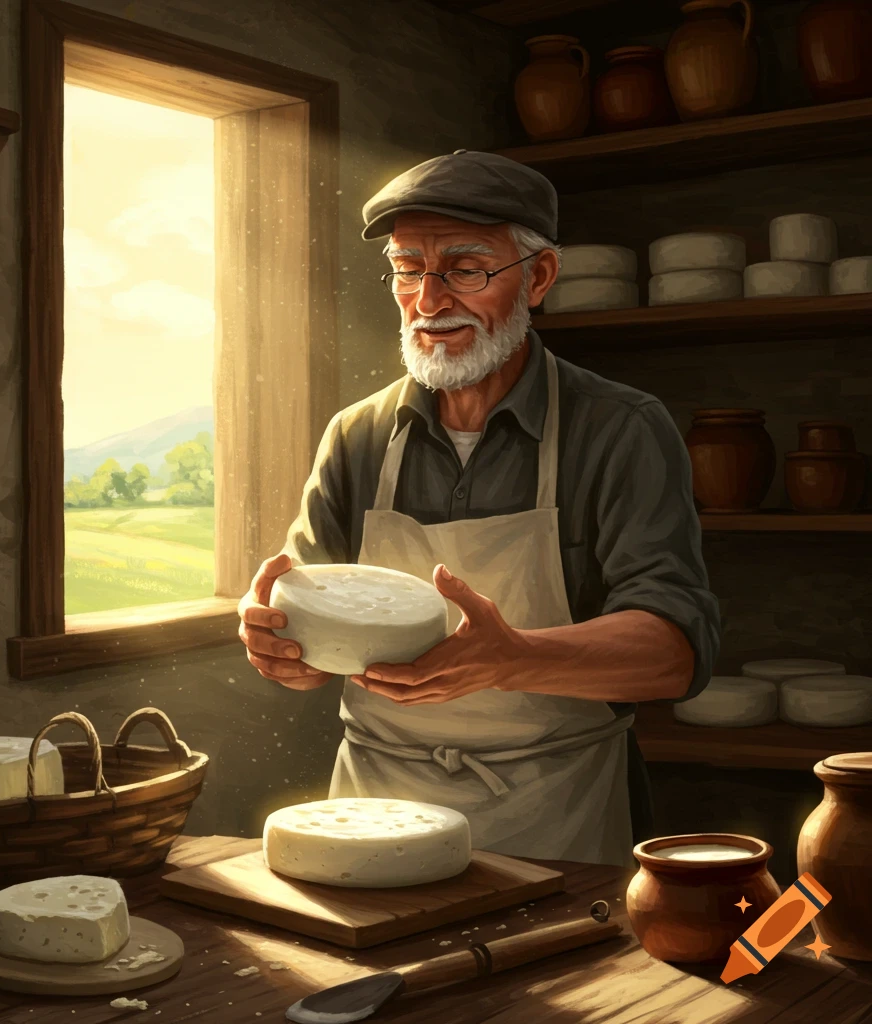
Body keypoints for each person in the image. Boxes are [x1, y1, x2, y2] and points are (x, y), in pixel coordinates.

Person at [237, 150, 720, 867]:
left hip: (555, 816)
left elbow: (674, 656)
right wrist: (277, 642)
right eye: (408, 270)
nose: (429, 301)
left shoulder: (620, 429)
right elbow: (306, 639)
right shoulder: (357, 436)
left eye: (465, 270)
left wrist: (511, 658)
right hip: (377, 815)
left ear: (540, 277)